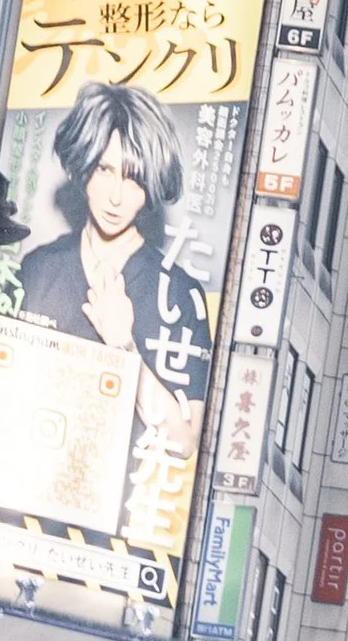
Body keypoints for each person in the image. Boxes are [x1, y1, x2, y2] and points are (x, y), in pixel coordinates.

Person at [12, 81, 212, 474]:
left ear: (152, 185)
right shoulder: (37, 271)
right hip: (22, 490)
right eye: (105, 169)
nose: (116, 196)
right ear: (83, 166)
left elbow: (185, 440)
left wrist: (123, 346)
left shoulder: (179, 295)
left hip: (114, 526)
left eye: (134, 178)